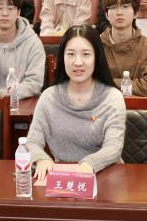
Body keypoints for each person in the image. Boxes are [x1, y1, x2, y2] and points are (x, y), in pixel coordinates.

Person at [27, 25, 126, 177]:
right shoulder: (49, 98)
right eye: (71, 54)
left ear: (97, 57)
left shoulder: (112, 98)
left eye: (86, 54)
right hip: (64, 177)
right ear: (62, 57)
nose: (78, 62)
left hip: (105, 175)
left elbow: (114, 147)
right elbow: (32, 142)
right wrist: (41, 158)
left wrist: (90, 163)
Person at [100, 0, 147, 96]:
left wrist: (109, 82)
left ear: (135, 13)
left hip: (139, 105)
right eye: (113, 7)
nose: (119, 12)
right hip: (103, 104)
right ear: (106, 15)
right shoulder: (96, 45)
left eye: (125, 6)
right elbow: (91, 84)